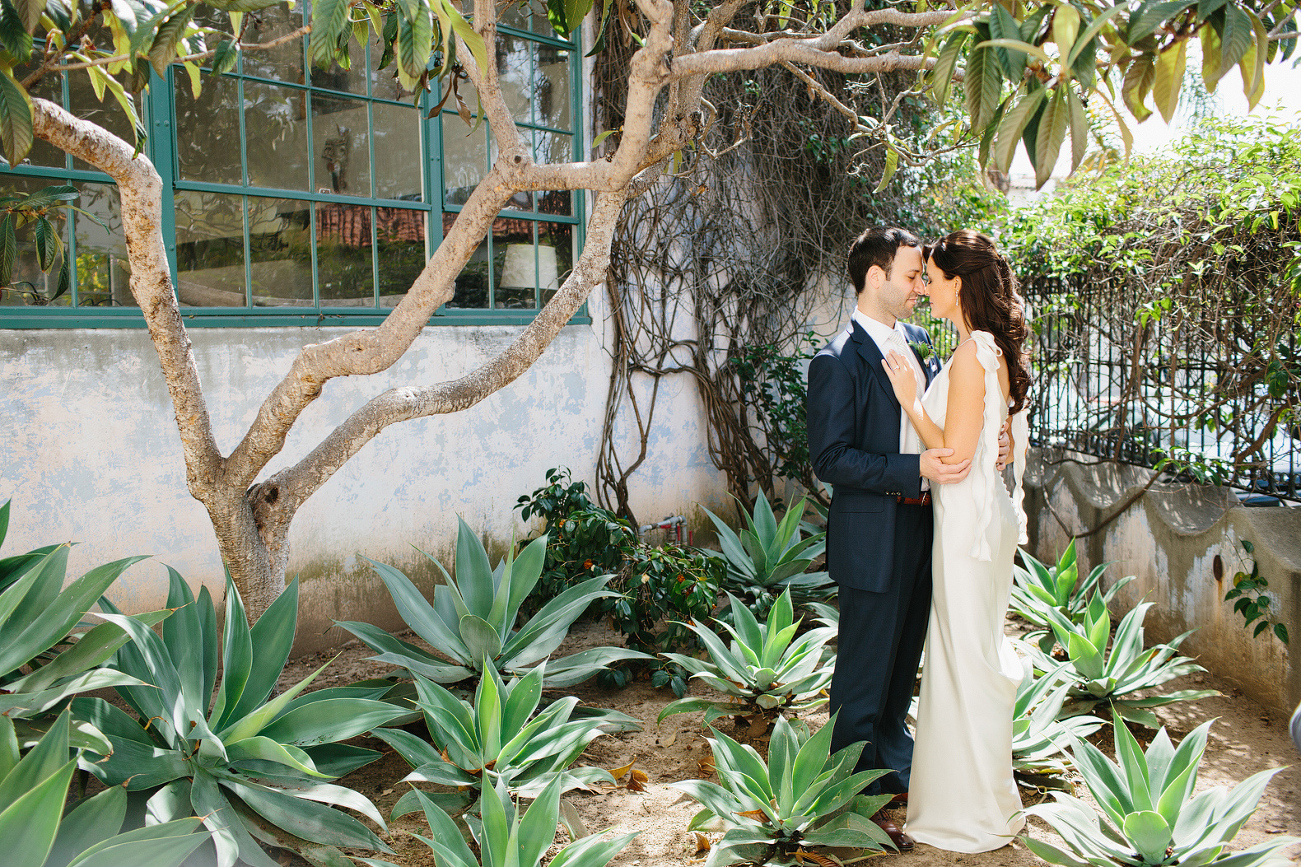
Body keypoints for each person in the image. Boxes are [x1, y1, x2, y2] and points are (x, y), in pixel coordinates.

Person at [806, 226, 975, 852]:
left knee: (903, 662)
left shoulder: (926, 346)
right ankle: (847, 795)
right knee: (863, 672)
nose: (919, 286)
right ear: (875, 277)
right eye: (911, 275)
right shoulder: (837, 360)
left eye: (923, 277)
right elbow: (830, 459)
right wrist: (914, 470)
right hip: (872, 534)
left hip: (924, 526)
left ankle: (892, 767)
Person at [881, 229, 1031, 852]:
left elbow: (954, 453)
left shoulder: (973, 353)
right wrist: (999, 443)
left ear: (959, 284)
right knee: (967, 651)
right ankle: (980, 798)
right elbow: (1000, 433)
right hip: (976, 520)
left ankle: (971, 811)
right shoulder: (987, 350)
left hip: (966, 524)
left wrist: (912, 401)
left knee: (962, 656)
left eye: (933, 279)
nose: (926, 288)